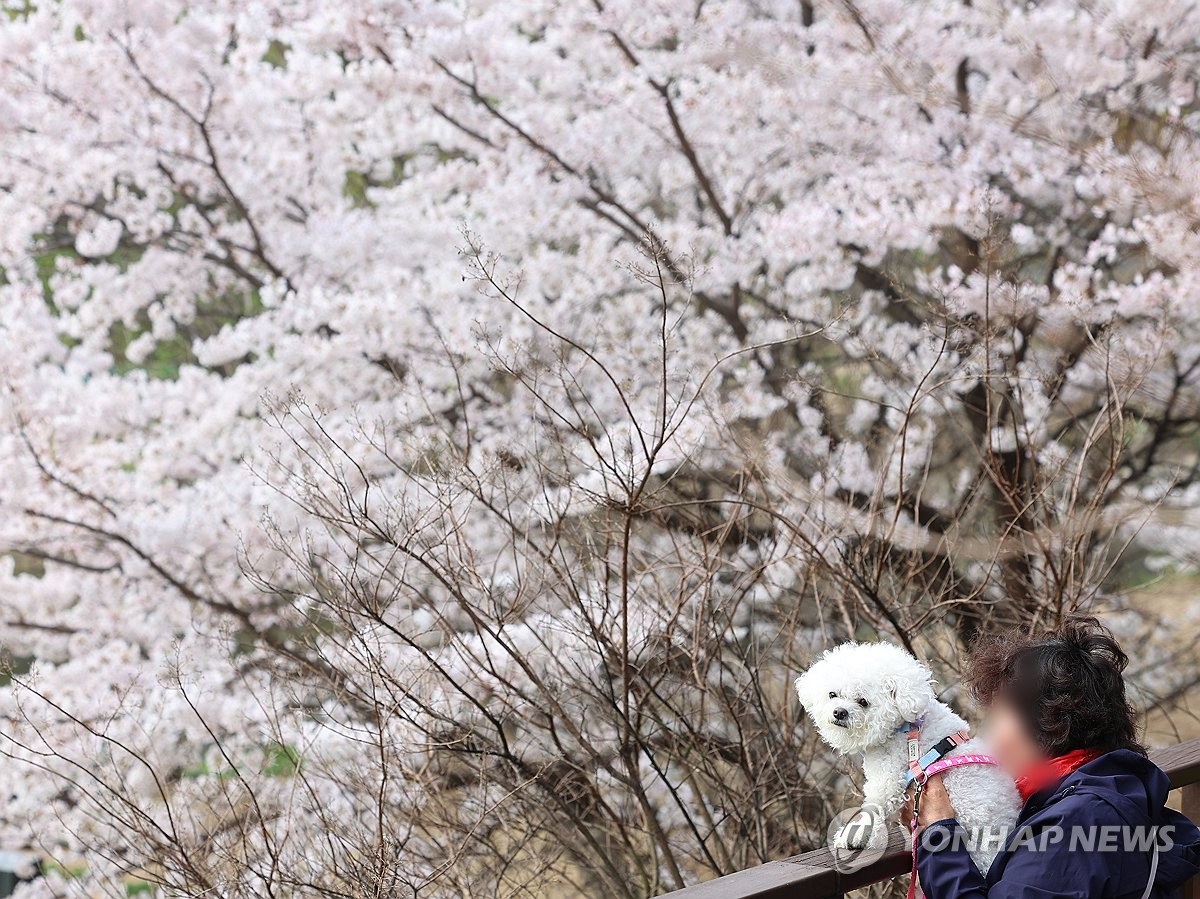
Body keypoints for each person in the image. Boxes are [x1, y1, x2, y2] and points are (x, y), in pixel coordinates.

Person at [912, 617, 1200, 898]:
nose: (987, 740)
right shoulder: (1113, 786)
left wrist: (940, 833)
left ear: (1050, 722)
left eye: (997, 718)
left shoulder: (1074, 825)